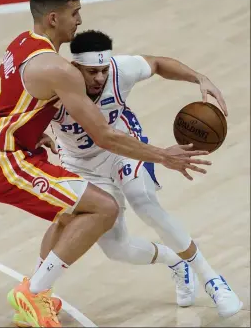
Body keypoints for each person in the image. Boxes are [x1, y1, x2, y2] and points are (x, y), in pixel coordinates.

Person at [0, 0, 211, 328]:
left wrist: (30, 134)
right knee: (105, 207)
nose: (80, 20)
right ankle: (33, 293)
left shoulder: (22, 44)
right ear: (53, 18)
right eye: (74, 12)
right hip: (3, 161)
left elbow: (9, 103)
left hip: (11, 148)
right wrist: (163, 155)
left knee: (72, 214)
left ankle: (37, 294)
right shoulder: (58, 69)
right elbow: (103, 135)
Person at [44, 30, 241, 320]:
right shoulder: (54, 85)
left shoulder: (120, 70)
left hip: (123, 148)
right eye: (91, 72)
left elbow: (158, 64)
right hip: (79, 164)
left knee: (142, 200)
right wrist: (32, 136)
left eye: (102, 70)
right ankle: (174, 260)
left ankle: (212, 279)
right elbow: (19, 116)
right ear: (75, 67)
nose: (99, 78)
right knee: (116, 249)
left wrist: (200, 78)